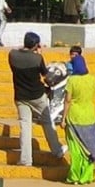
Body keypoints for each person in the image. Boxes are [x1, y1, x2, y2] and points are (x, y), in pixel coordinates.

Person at [9, 32, 66, 167]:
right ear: (36, 45)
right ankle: (57, 150)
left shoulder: (12, 55)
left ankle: (25, 159)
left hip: (20, 96)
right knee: (47, 122)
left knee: (25, 127)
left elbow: (17, 50)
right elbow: (46, 76)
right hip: (37, 95)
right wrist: (37, 53)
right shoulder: (37, 58)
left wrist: (29, 49)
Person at [62, 46, 95, 185]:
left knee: (76, 149)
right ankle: (87, 176)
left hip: (74, 117)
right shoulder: (92, 79)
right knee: (89, 148)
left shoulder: (72, 81)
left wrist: (63, 119)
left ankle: (74, 176)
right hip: (90, 116)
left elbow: (67, 100)